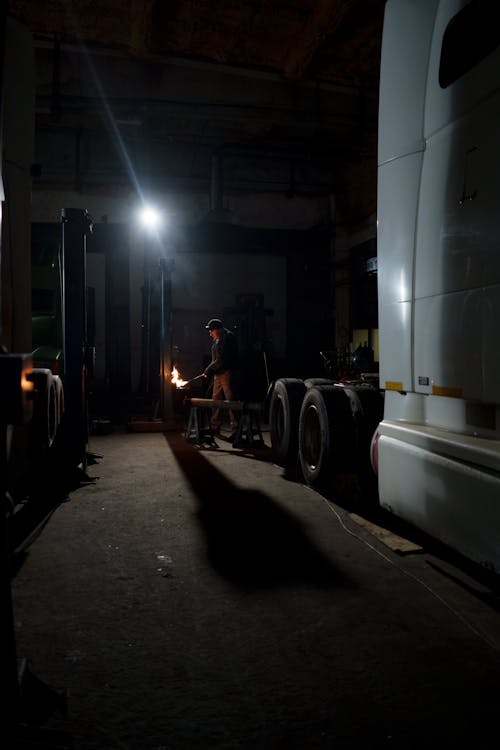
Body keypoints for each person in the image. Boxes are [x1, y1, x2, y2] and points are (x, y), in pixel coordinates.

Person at [203, 318, 239, 436]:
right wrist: (212, 371)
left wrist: (209, 369)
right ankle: (215, 426)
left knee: (230, 401)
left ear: (219, 329)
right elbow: (216, 358)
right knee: (216, 399)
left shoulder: (228, 338)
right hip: (218, 373)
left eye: (211, 330)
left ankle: (235, 429)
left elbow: (222, 358)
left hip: (227, 372)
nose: (210, 333)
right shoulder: (216, 339)